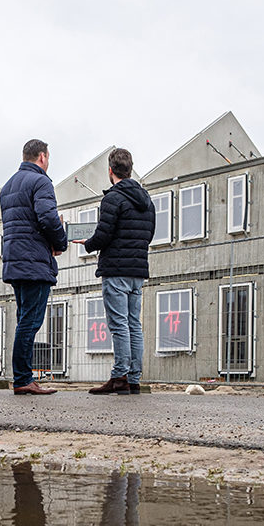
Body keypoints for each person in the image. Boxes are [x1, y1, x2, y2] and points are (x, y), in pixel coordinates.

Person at [76, 148, 155, 395]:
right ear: (130, 169)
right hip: (138, 271)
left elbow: (104, 235)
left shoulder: (112, 199)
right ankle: (133, 379)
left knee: (119, 324)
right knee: (134, 324)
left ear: (110, 171)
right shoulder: (147, 200)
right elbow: (149, 235)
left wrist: (87, 244)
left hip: (116, 270)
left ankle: (119, 376)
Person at [0, 138, 67, 396]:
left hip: (15, 260)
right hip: (34, 262)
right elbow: (48, 217)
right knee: (30, 321)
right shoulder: (41, 182)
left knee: (23, 319)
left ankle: (23, 377)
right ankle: (22, 379)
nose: (48, 162)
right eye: (48, 157)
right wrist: (59, 242)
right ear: (42, 157)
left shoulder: (7, 187)